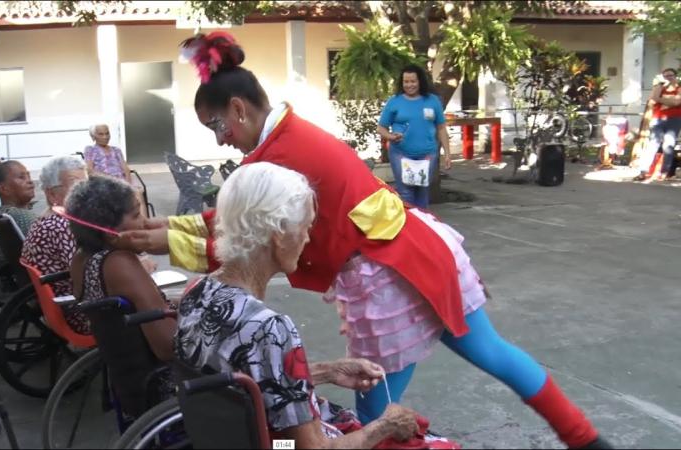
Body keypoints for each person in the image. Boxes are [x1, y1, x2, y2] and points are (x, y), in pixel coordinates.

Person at [118, 32, 611, 450]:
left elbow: (239, 223)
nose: (220, 140)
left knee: (376, 396)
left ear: (239, 108)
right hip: (412, 252)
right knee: (479, 357)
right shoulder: (283, 145)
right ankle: (586, 438)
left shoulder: (269, 171)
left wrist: (164, 236)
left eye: (217, 126)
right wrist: (166, 233)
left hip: (387, 269)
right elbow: (234, 218)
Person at [176, 162, 430, 449]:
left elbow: (253, 381)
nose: (308, 239)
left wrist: (327, 371)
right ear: (279, 233)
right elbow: (313, 449)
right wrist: (385, 426)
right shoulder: (269, 328)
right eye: (305, 227)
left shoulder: (197, 292)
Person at [66, 175, 175, 423]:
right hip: (162, 386)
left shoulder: (82, 258)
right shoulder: (119, 264)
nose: (145, 223)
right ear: (109, 229)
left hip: (129, 384)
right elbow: (169, 346)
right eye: (136, 215)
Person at [21, 156, 91, 334]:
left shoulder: (50, 218)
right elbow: (88, 275)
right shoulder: (62, 225)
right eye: (76, 186)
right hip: (81, 312)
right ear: (52, 194)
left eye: (87, 185)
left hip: (66, 303)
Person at [377, 65, 451, 209]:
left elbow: (441, 128)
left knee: (422, 193)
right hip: (401, 154)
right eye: (406, 82)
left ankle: (422, 227)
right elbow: (381, 128)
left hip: (427, 155)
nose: (409, 85)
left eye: (413, 81)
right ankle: (409, 228)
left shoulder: (433, 101)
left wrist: (447, 154)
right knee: (406, 193)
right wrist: (391, 137)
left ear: (420, 81)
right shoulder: (394, 101)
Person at [635, 68, 681, 181]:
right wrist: (667, 100)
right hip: (658, 119)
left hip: (674, 119)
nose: (668, 78)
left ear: (675, 77)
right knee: (653, 144)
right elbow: (653, 99)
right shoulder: (659, 87)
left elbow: (677, 102)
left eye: (671, 75)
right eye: (665, 76)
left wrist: (661, 100)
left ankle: (664, 172)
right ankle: (643, 171)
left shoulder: (679, 88)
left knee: (668, 145)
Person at [0, 160, 37, 236]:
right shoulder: (22, 217)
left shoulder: (3, 213)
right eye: (21, 177)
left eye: (29, 176)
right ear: (4, 188)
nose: (30, 181)